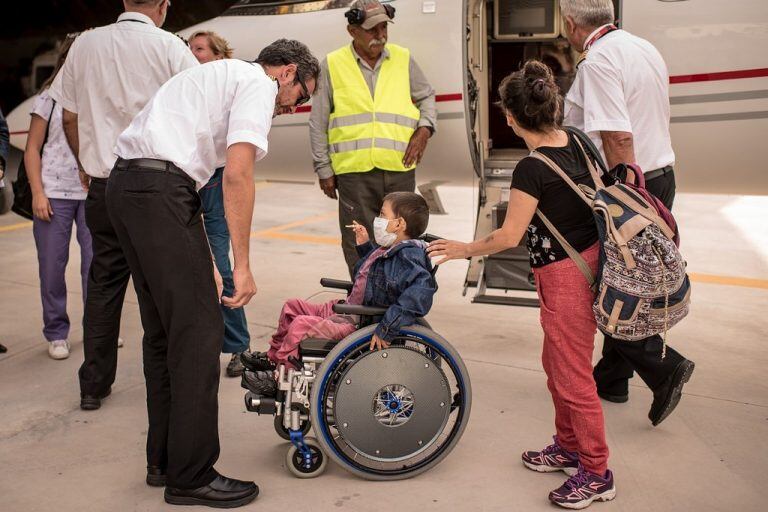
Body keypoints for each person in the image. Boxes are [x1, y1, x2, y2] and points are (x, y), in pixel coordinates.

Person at [110, 38, 320, 508]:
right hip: (159, 190)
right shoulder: (257, 83)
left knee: (165, 334)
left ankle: (164, 460)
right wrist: (241, 267)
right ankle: (192, 475)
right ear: (286, 72)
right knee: (201, 333)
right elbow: (238, 174)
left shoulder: (217, 77)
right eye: (301, 94)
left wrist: (203, 253)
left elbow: (193, 183)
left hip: (129, 188)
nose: (295, 106)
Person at [428, 61, 615, 510]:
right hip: (585, 264)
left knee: (572, 376)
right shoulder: (580, 141)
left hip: (569, 276)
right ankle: (568, 446)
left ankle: (596, 471)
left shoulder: (532, 168)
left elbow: (508, 236)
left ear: (510, 118)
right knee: (556, 366)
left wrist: (460, 249)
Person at [48, 0, 199, 410]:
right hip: (153, 184)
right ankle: (165, 383)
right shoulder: (170, 47)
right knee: (159, 285)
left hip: (102, 183)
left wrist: (84, 162)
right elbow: (196, 112)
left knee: (104, 283)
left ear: (124, 3)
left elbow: (68, 117)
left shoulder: (85, 45)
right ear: (164, 6)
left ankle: (93, 385)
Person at [560, 0, 694, 425]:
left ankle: (662, 366)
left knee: (607, 285)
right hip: (659, 176)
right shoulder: (643, 47)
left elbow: (617, 136)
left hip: (627, 184)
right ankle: (612, 379)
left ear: (569, 23)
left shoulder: (598, 61)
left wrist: (624, 195)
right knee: (635, 282)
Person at [241, 191, 436, 396]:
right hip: (349, 309)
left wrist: (387, 327)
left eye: (382, 214)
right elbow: (367, 277)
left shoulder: (408, 256)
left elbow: (419, 294)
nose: (377, 220)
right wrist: (365, 246)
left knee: (300, 325)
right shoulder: (388, 249)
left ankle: (281, 377)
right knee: (292, 306)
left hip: (361, 322)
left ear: (399, 224)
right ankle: (273, 359)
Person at [309, 0, 436, 276]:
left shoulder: (402, 58)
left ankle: (396, 298)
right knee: (359, 239)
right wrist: (324, 168)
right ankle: (363, 299)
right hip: (354, 173)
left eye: (383, 27)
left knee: (402, 237)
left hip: (399, 167)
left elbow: (427, 96)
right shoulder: (332, 64)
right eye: (371, 29)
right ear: (352, 31)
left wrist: (424, 129)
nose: (380, 34)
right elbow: (317, 122)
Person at [24, 34, 93, 360]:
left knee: (97, 268)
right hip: (54, 193)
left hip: (92, 194)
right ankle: (56, 332)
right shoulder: (49, 98)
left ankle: (97, 328)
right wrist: (38, 192)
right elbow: (32, 149)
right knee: (52, 267)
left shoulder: (97, 96)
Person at [188, 31, 250, 378]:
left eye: (199, 49)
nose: (193, 54)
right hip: (183, 180)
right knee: (190, 271)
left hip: (212, 182)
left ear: (218, 56)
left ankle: (239, 346)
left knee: (222, 268)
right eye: (190, 49)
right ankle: (202, 345)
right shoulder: (185, 84)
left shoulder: (229, 86)